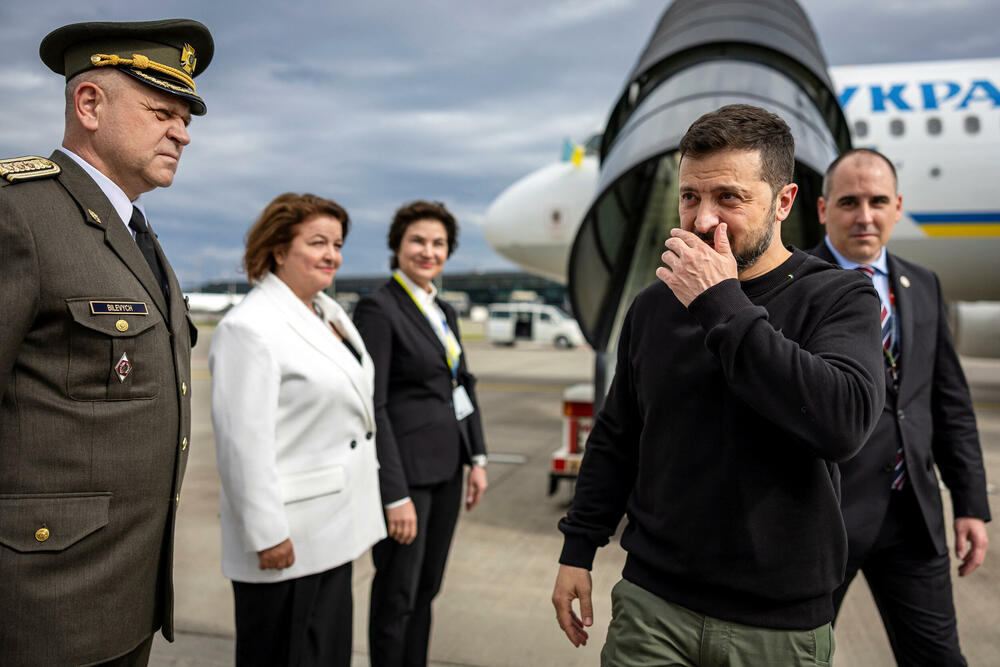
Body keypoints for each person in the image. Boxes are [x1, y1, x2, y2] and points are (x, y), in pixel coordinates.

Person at [551, 104, 887, 665]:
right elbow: (617, 435)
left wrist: (720, 301)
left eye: (728, 197)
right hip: (653, 603)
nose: (703, 218)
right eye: (690, 197)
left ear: (783, 202)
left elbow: (842, 424)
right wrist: (577, 548)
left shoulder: (837, 297)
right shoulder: (655, 304)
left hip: (777, 622)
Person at [0, 19, 212, 666]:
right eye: (161, 111)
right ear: (89, 104)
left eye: (186, 119)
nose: (181, 131)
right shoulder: (19, 213)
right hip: (44, 607)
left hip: (124, 598)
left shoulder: (135, 234)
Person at [812, 148, 991, 666]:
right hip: (824, 520)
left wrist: (971, 504)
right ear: (823, 209)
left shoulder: (923, 285)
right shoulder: (796, 283)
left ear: (898, 207)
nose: (864, 216)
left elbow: (949, 404)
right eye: (849, 202)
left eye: (877, 201)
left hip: (911, 514)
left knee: (938, 658)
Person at [209, 193, 386, 666]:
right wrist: (267, 534)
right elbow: (242, 444)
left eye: (338, 243)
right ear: (278, 250)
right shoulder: (250, 327)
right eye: (318, 242)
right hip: (288, 536)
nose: (332, 254)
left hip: (334, 529)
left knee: (326, 654)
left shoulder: (328, 312)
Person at [354, 200, 488, 667]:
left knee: (427, 589)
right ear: (397, 246)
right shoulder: (378, 308)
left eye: (438, 243)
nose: (428, 251)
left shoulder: (444, 310)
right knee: (397, 594)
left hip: (448, 469)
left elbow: (461, 384)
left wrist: (478, 458)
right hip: (406, 478)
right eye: (418, 241)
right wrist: (393, 493)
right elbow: (374, 405)